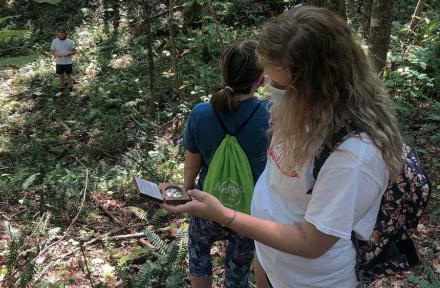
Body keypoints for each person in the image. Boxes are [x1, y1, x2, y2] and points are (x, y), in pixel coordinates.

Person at [164, 6, 403, 288]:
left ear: (321, 86)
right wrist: (262, 263)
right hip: (269, 259)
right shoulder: (297, 110)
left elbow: (312, 242)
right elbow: (277, 184)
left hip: (310, 279)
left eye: (279, 85)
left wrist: (224, 215)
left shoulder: (354, 155)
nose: (271, 90)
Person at [162, 41, 270, 288]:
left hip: (205, 204)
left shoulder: (201, 113)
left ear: (224, 73)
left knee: (199, 254)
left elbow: (191, 165)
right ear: (261, 80)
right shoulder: (270, 114)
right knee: (239, 270)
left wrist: (186, 193)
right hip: (247, 212)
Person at [50, 27, 77, 97]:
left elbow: (74, 51)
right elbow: (51, 51)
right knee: (61, 77)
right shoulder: (54, 41)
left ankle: (71, 91)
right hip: (59, 63)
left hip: (68, 62)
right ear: (58, 34)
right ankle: (61, 91)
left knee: (69, 77)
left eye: (63, 33)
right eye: (60, 33)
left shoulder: (70, 41)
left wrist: (68, 54)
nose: (61, 35)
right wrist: (56, 55)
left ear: (65, 33)